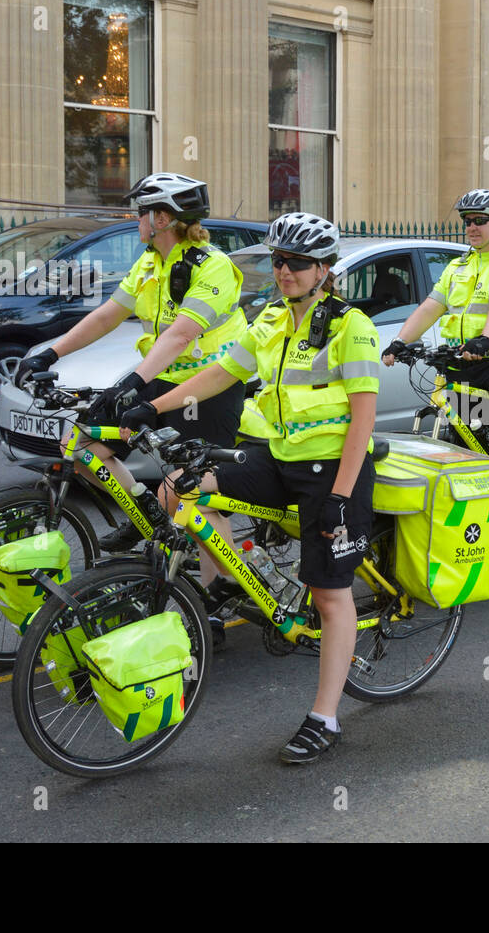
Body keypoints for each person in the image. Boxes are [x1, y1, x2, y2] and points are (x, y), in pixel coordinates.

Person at [120, 212, 380, 765]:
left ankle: (324, 717)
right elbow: (222, 373)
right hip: (278, 459)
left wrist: (340, 493)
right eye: (278, 260)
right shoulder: (272, 317)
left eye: (298, 263)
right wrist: (150, 402)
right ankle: (233, 581)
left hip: (333, 471)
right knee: (180, 488)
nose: (284, 271)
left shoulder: (350, 326)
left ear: (325, 269)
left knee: (330, 596)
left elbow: (362, 419)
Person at [13, 173, 247, 550]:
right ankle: (147, 517)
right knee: (84, 445)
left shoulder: (212, 266)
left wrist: (132, 382)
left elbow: (181, 334)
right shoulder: (151, 262)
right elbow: (108, 315)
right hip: (161, 376)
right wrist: (50, 352)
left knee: (190, 494)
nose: (135, 220)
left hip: (208, 386)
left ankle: (222, 591)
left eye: (141, 213)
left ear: (162, 219)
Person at [381, 189, 489, 501]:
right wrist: (400, 341)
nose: (471, 227)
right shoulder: (456, 267)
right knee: (465, 431)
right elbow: (430, 307)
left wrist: (486, 339)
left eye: (479, 220)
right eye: (467, 221)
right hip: (462, 360)